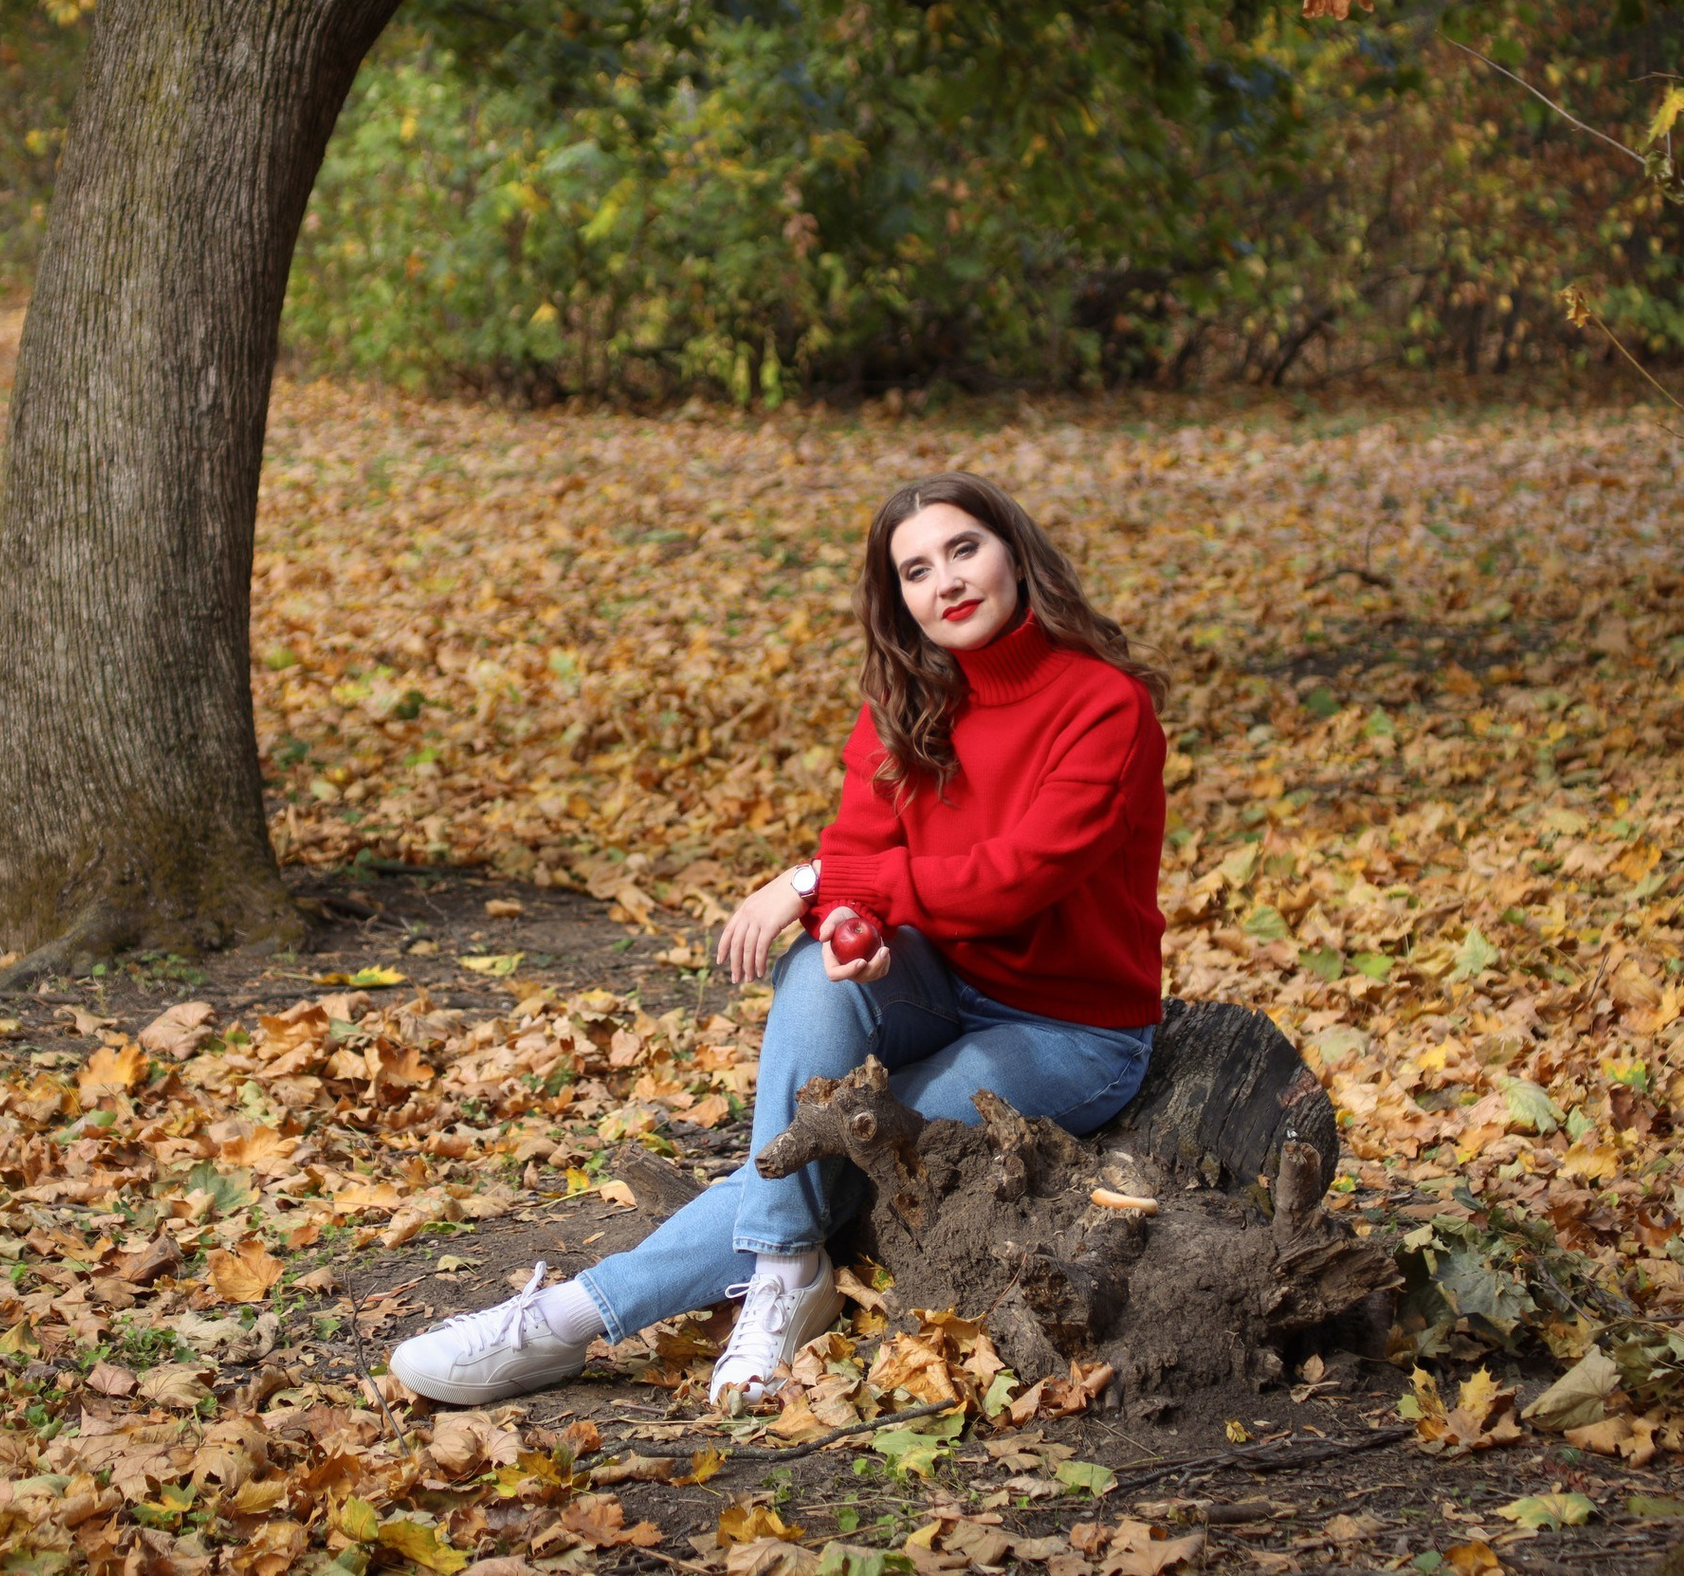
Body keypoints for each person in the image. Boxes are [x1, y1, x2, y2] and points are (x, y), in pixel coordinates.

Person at [389, 472, 1170, 1409]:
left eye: (965, 550)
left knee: (841, 1147)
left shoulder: (1104, 706)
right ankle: (789, 1269)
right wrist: (850, 925)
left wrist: (814, 886)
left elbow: (1014, 880)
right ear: (901, 600)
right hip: (941, 980)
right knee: (813, 972)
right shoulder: (908, 701)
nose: (947, 582)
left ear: (1015, 554)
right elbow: (862, 855)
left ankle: (569, 1318)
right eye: (917, 570)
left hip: (1070, 1029)